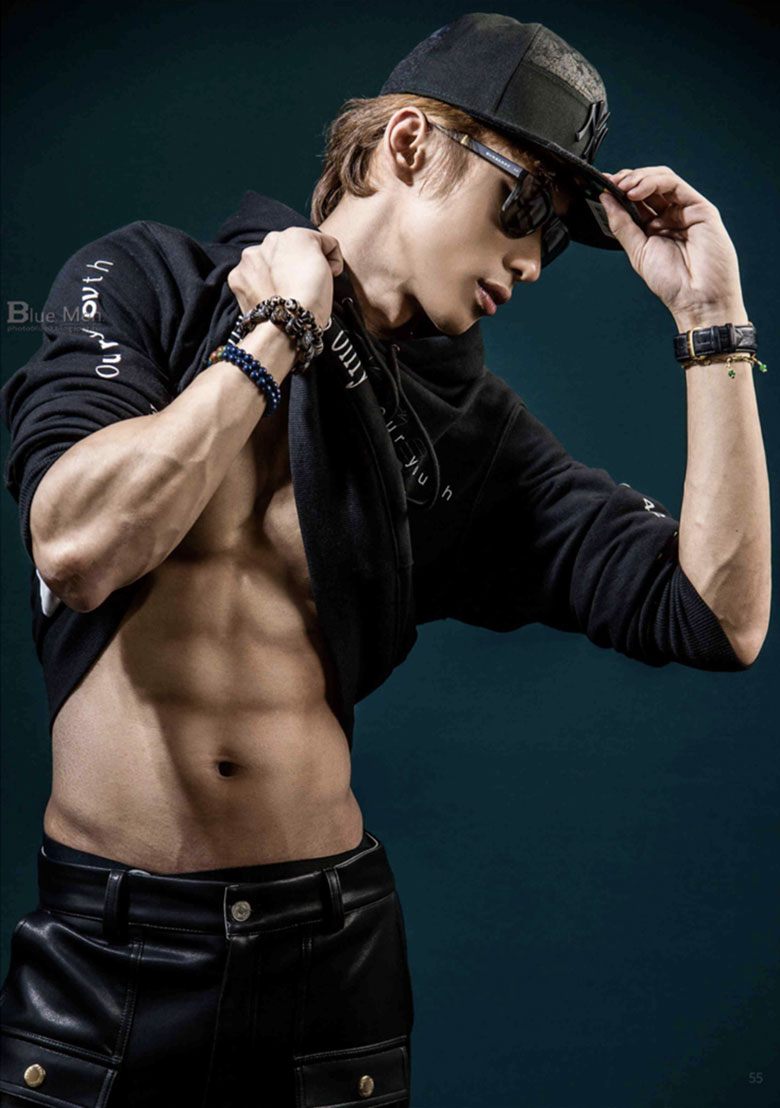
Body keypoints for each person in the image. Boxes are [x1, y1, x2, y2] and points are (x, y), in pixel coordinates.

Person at [0, 12, 769, 1107]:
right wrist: (274, 333)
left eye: (556, 239)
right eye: (523, 210)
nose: (532, 261)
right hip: (103, 956)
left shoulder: (474, 434)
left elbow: (720, 615)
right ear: (409, 145)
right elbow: (77, 547)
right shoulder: (148, 279)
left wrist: (712, 318)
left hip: (328, 962)